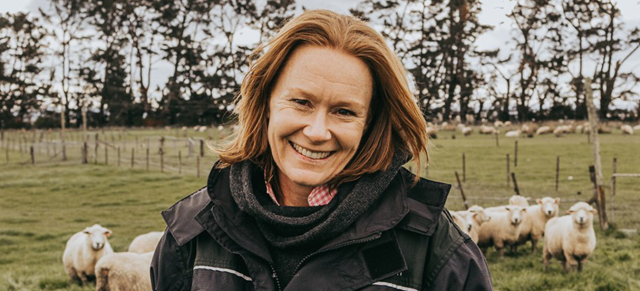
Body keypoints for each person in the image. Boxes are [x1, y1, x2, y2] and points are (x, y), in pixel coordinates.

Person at [151, 9, 492, 291]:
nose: (317, 132)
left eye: (344, 111)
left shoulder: (434, 249)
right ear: (266, 102)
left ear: (369, 124)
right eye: (301, 102)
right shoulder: (195, 232)